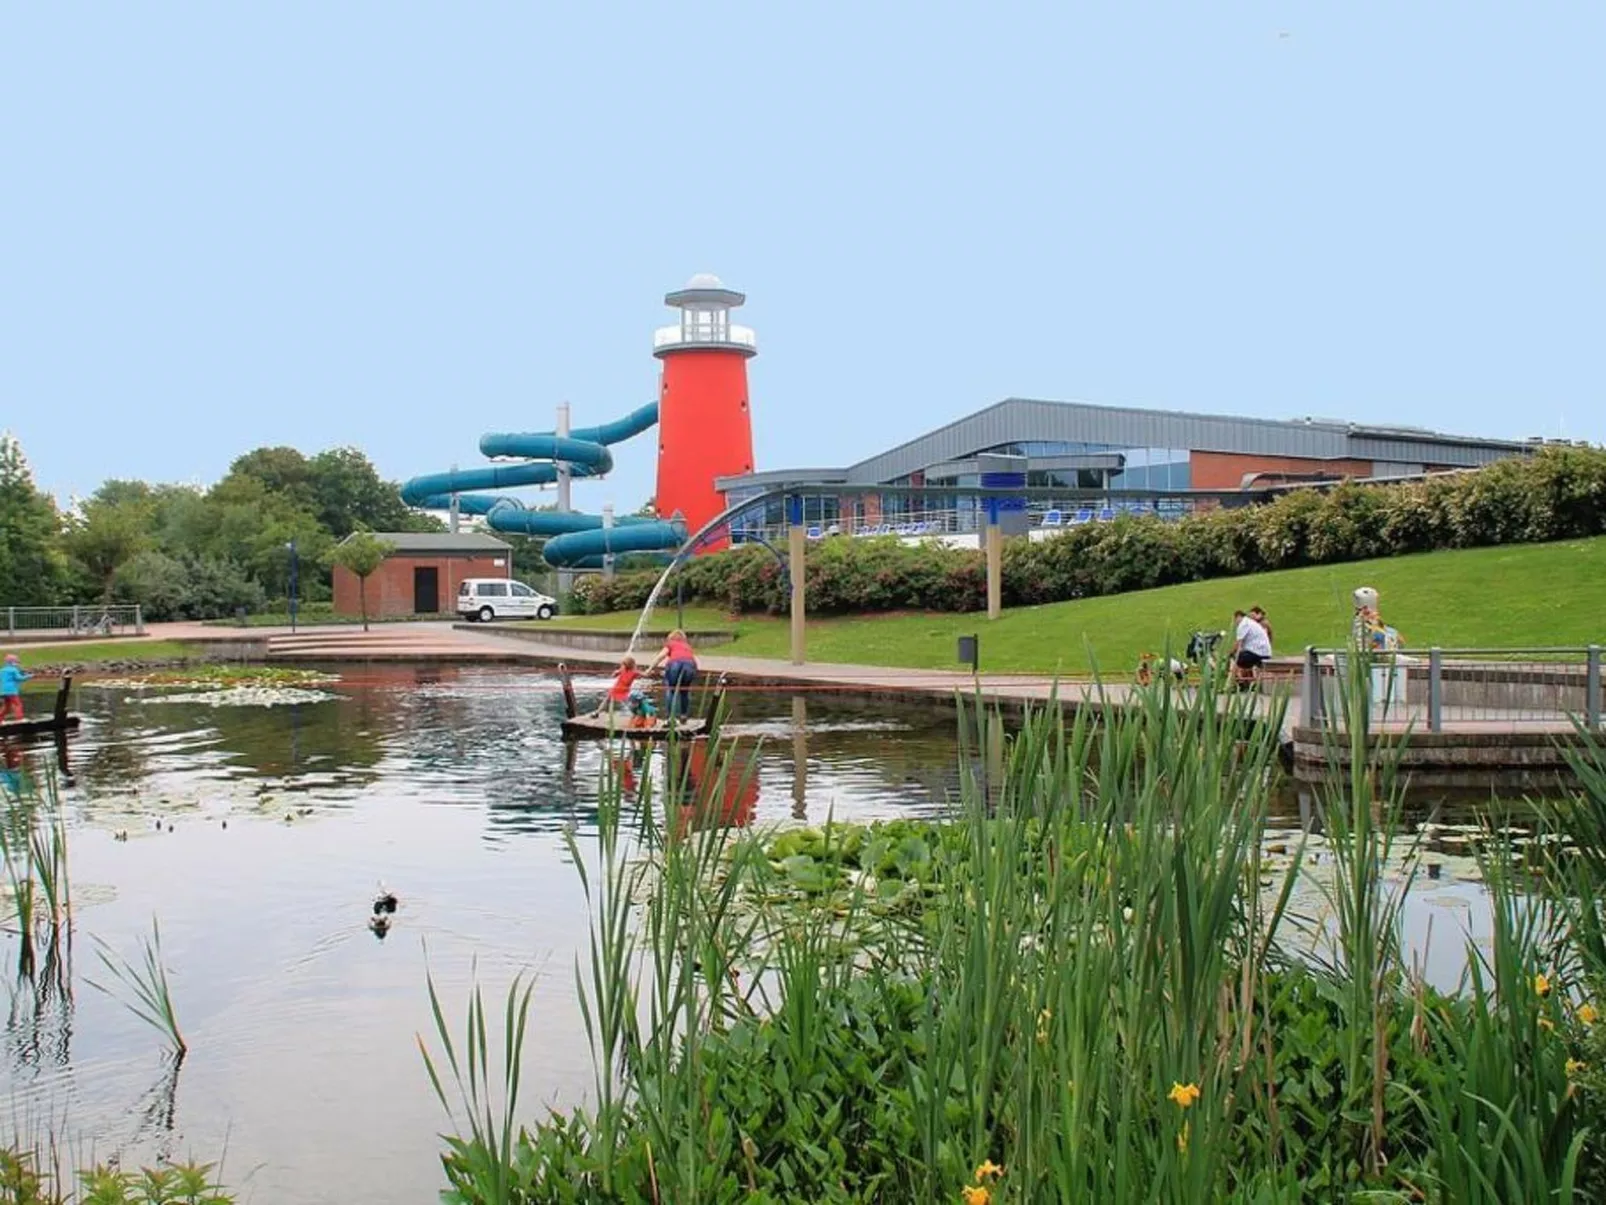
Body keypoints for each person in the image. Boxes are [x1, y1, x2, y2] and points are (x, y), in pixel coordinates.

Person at [649, 629, 698, 719]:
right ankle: (683, 715)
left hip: (675, 664)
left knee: (671, 690)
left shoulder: (671, 644)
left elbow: (661, 656)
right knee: (684, 691)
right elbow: (693, 660)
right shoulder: (687, 646)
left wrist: (650, 669)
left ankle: (670, 718)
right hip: (690, 666)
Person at [1231, 609, 1272, 690]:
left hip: (1257, 653)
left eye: (1235, 620)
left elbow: (1238, 643)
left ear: (1238, 617)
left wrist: (1231, 652)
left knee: (1235, 659)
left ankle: (1238, 682)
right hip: (1264, 652)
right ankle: (1246, 681)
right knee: (1243, 658)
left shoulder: (1243, 624)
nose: (1235, 623)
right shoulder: (1251, 623)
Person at [1, 654, 31, 723]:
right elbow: (19, 678)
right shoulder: (14, 670)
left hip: (3, 692)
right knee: (18, 704)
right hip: (12, 691)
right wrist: (29, 676)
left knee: (6, 707)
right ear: (12, 662)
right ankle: (19, 719)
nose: (17, 664)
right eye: (16, 662)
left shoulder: (2, 670)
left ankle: (0, 720)